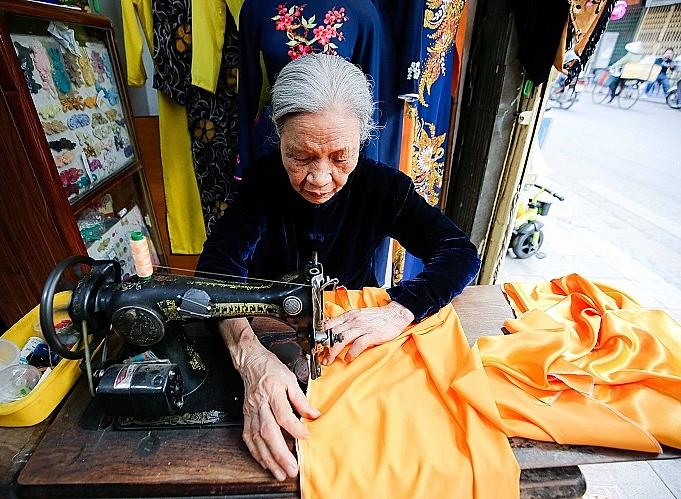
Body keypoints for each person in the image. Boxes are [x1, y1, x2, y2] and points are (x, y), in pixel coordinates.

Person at [195, 53, 481, 481]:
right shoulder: (263, 184)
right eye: (300, 157)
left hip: (355, 333)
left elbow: (460, 253)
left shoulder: (381, 187)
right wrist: (250, 357)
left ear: (362, 139)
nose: (319, 178)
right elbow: (217, 271)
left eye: (339, 156)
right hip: (274, 328)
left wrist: (397, 311)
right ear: (279, 137)